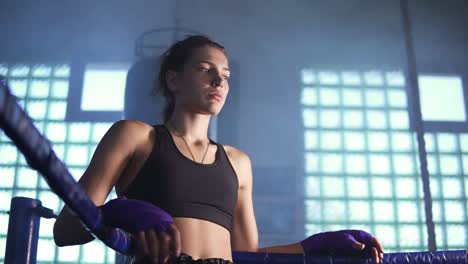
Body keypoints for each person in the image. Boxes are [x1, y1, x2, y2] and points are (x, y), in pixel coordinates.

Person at [53, 35, 384, 264]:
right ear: (173, 80)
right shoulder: (134, 136)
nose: (219, 81)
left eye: (225, 75)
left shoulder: (239, 163)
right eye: (205, 69)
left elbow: (248, 256)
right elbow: (65, 230)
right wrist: (116, 213)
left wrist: (319, 246)